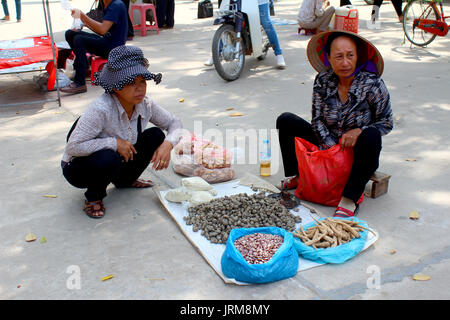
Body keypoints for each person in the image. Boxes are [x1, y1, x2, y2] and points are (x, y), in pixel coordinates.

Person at [276, 30, 393, 217]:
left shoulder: (373, 85)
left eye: (350, 56)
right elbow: (317, 119)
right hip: (327, 145)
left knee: (371, 135)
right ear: (328, 58)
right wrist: (329, 149)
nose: (345, 62)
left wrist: (359, 131)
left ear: (357, 56)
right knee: (286, 120)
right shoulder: (323, 80)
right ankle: (299, 176)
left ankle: (350, 198)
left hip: (356, 152)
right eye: (338, 56)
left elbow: (386, 123)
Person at [61, 45, 183, 219]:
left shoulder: (145, 104)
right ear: (116, 87)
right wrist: (114, 143)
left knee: (156, 135)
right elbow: (73, 147)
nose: (140, 88)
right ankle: (94, 196)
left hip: (118, 159)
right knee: (108, 157)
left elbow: (175, 122)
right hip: (79, 167)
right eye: (132, 83)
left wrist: (169, 143)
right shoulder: (101, 109)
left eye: (142, 81)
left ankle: (124, 180)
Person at [61, 0, 128, 94]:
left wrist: (82, 16)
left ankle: (80, 83)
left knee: (79, 39)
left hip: (113, 48)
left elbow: (102, 30)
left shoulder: (116, 5)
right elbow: (102, 29)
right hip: (106, 40)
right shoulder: (107, 4)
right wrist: (83, 22)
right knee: (70, 33)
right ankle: (84, 64)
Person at [205, 0, 286, 69]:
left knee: (266, 24)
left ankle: (278, 53)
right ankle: (216, 54)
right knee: (230, 23)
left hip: (259, 2)